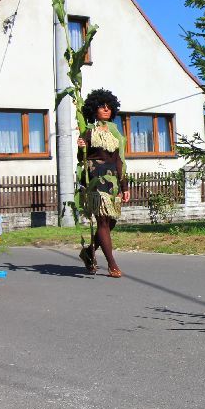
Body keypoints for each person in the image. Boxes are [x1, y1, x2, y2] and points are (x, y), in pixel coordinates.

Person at [76, 89, 131, 278]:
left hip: (113, 179)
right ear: (94, 109)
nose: (106, 109)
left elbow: (119, 160)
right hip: (95, 179)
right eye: (101, 106)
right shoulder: (89, 131)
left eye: (109, 106)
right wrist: (80, 146)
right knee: (103, 221)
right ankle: (112, 264)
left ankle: (89, 252)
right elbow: (80, 159)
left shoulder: (116, 132)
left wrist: (124, 186)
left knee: (111, 220)